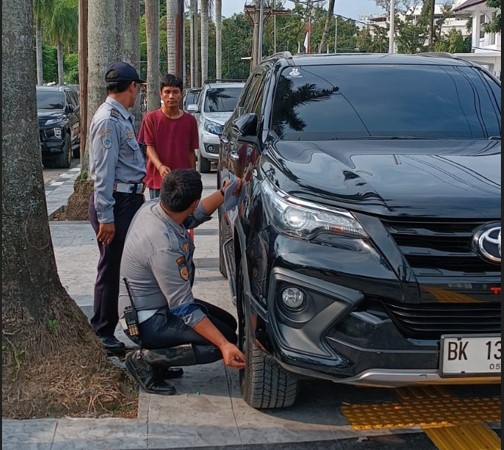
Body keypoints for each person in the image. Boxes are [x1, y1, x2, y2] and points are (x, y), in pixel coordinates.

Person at [118, 169, 245, 395]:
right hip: (145, 321)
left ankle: (162, 357)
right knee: (220, 342)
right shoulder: (163, 245)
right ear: (193, 201)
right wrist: (224, 346)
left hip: (157, 306)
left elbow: (191, 216)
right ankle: (145, 359)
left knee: (228, 324)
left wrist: (223, 193)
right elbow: (183, 307)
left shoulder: (154, 207)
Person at [88, 61, 146, 356]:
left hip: (127, 200)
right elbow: (103, 173)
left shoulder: (120, 116)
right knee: (111, 268)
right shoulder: (109, 119)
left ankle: (114, 325)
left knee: (122, 267)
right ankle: (102, 330)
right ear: (132, 87)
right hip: (115, 202)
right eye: (139, 88)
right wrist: (106, 217)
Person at [138, 74, 198, 199]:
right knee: (159, 217)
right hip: (158, 180)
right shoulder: (151, 119)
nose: (171, 96)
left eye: (175, 92)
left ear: (181, 94)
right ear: (161, 94)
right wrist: (160, 166)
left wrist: (194, 176)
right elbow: (148, 146)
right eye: (167, 92)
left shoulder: (190, 121)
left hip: (183, 181)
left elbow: (191, 151)